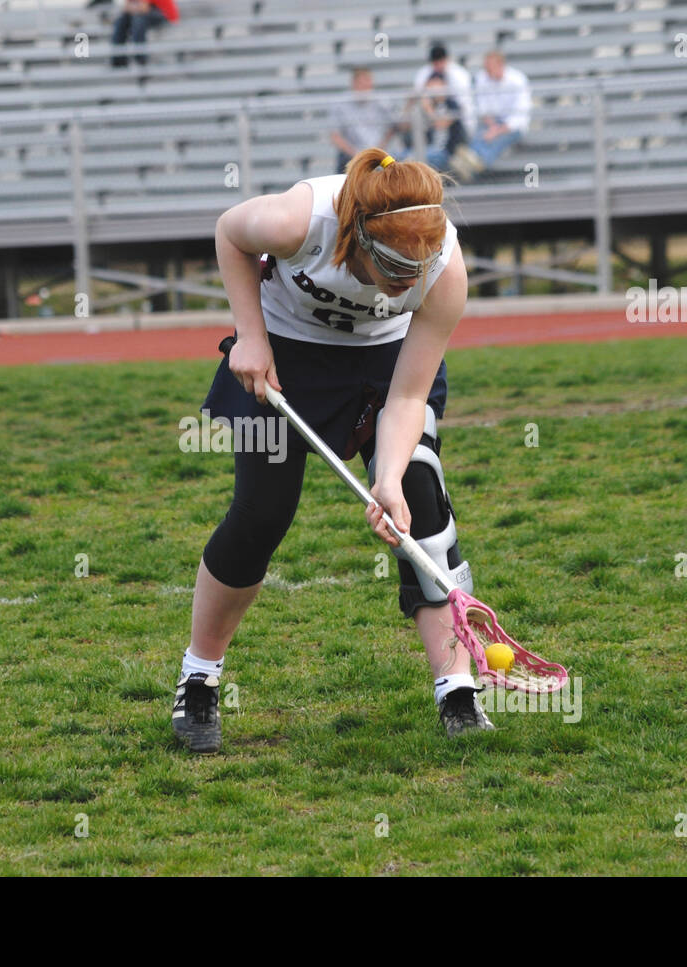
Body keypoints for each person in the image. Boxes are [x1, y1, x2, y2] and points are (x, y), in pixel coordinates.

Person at [172, 147, 491, 755]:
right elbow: (229, 234)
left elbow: (406, 397)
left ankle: (457, 690)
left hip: (383, 362)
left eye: (418, 270)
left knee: (421, 503)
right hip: (286, 349)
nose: (409, 283)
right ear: (360, 239)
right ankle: (199, 678)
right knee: (260, 516)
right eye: (396, 269)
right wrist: (250, 337)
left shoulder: (445, 273)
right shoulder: (301, 220)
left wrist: (389, 479)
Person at [450, 49, 530, 183]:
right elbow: (483, 107)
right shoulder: (482, 77)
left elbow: (520, 117)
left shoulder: (518, 80)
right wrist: (492, 127)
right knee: (481, 135)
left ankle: (473, 162)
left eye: (490, 67)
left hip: (511, 126)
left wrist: (497, 131)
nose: (487, 70)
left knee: (495, 141)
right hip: (490, 122)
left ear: (500, 65)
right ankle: (473, 161)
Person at [330, 67, 402, 173]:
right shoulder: (340, 104)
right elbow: (335, 136)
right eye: (361, 84)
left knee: (395, 165)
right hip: (352, 154)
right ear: (354, 84)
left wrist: (378, 150)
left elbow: (394, 127)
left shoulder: (382, 102)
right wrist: (356, 154)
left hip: (381, 151)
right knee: (344, 164)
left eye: (367, 84)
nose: (365, 88)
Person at [411, 42, 475, 147]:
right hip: (432, 119)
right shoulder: (425, 73)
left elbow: (462, 106)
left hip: (459, 123)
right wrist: (433, 116)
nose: (438, 66)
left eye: (440, 62)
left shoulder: (459, 75)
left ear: (446, 60)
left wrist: (442, 121)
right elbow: (419, 98)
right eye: (435, 63)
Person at [109, 0, 178, 68]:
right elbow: (125, 9)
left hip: (165, 14)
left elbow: (143, 8)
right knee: (121, 20)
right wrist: (133, 8)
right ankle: (118, 60)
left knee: (138, 20)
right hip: (146, 13)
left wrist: (132, 8)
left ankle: (141, 61)